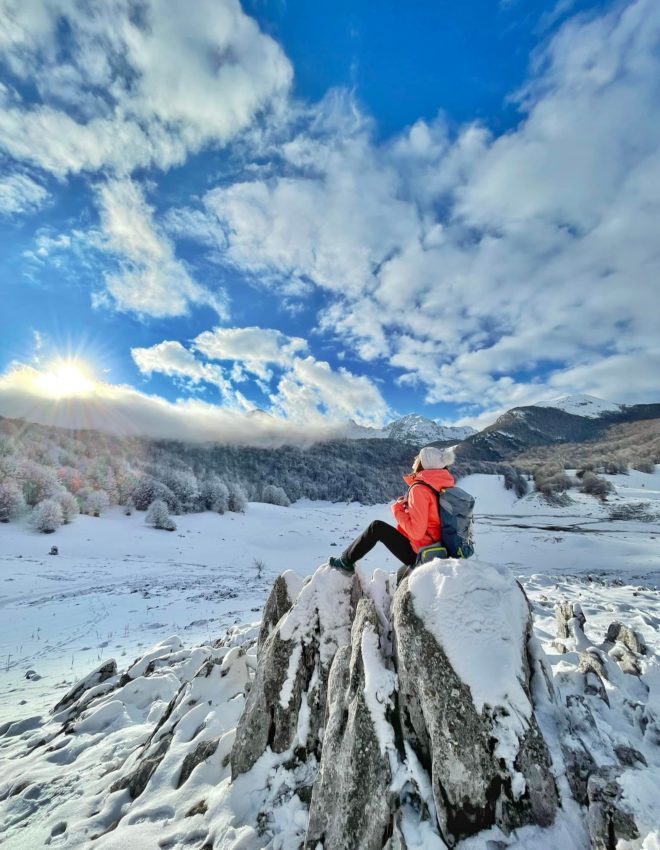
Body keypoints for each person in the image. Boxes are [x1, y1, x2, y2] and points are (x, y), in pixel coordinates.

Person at [327, 445, 455, 579]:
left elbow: (417, 533)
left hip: (423, 551)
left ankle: (345, 562)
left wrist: (397, 510)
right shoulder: (440, 484)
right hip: (438, 547)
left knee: (376, 528)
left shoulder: (420, 489)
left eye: (419, 457)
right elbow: (432, 516)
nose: (415, 458)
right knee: (401, 575)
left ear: (424, 463)